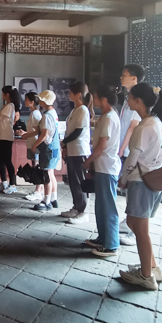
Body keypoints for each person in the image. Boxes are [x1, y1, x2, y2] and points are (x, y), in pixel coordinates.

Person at [118, 83, 162, 290]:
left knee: (141, 229)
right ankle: (152, 267)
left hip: (141, 181)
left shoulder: (144, 127)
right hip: (153, 179)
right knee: (134, 223)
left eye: (129, 97)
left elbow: (132, 158)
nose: (127, 100)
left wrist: (123, 178)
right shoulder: (156, 122)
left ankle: (146, 276)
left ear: (138, 101)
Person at [83, 85, 121, 257]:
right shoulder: (107, 116)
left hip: (107, 167)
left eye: (96, 97)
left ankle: (111, 244)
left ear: (104, 99)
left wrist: (88, 161)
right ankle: (103, 238)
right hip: (103, 166)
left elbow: (101, 146)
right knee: (101, 206)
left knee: (108, 206)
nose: (94, 100)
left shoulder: (108, 118)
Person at [118, 63, 146, 246]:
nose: (121, 77)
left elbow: (132, 127)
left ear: (134, 78)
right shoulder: (128, 98)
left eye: (124, 74)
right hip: (126, 149)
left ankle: (134, 230)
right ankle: (128, 222)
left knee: (135, 191)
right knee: (129, 190)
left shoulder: (138, 98)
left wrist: (121, 149)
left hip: (131, 151)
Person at [60, 82, 93, 224]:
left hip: (80, 151)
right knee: (73, 181)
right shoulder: (75, 109)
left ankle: (83, 211)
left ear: (78, 94)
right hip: (72, 150)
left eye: (70, 92)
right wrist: (65, 146)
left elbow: (78, 131)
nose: (68, 95)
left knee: (80, 181)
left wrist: (64, 141)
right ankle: (76, 207)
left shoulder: (83, 110)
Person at [31, 90, 61, 211]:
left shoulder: (46, 116)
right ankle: (54, 199)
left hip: (47, 149)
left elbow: (44, 134)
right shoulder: (53, 113)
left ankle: (46, 201)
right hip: (54, 147)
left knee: (46, 175)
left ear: (44, 101)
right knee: (51, 174)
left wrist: (35, 145)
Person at [16, 92, 44, 200]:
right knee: (34, 165)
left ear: (32, 102)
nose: (25, 101)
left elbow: (38, 131)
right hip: (32, 142)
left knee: (37, 167)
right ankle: (39, 190)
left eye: (27, 99)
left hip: (35, 143)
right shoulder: (33, 113)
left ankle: (38, 191)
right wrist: (25, 133)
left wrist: (26, 135)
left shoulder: (35, 113)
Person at [0, 86, 20, 195]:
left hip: (6, 136)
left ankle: (12, 184)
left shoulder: (10, 106)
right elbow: (0, 117)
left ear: (7, 94)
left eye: (3, 93)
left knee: (7, 160)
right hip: (1, 135)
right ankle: (4, 182)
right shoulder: (7, 105)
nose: (2, 95)